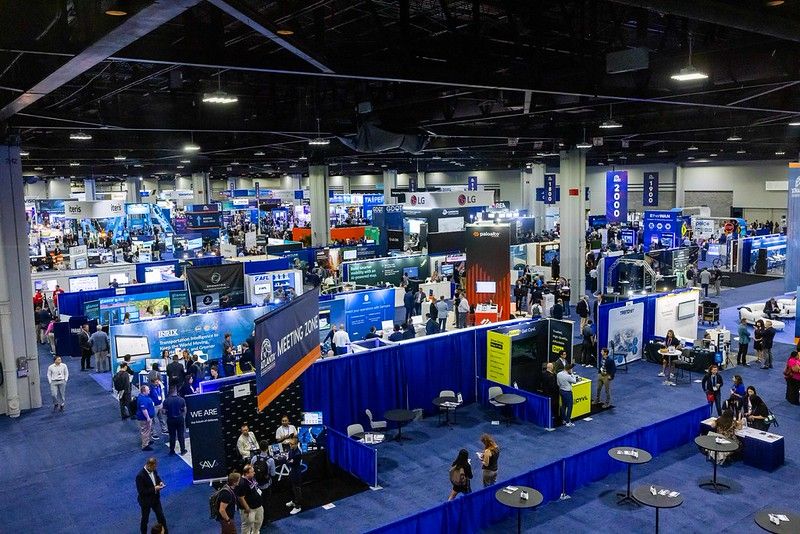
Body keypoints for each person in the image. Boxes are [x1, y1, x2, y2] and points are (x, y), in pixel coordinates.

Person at [136, 457, 168, 534]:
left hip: (155, 499)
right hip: (146, 501)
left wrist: (160, 482)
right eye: (153, 467)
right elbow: (141, 492)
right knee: (145, 520)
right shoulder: (140, 476)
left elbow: (157, 477)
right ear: (148, 465)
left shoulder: (153, 470)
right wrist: (155, 489)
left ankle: (165, 532)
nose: (155, 469)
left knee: (161, 517)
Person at [251, 441, 276, 525]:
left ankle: (257, 520)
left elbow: (251, 471)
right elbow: (273, 474)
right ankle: (265, 520)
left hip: (256, 486)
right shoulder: (271, 460)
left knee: (257, 503)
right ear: (267, 448)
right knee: (266, 502)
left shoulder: (254, 458)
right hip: (266, 485)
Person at [236, 464, 264, 534]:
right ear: (246, 474)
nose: (254, 473)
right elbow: (240, 498)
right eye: (252, 472)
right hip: (249, 508)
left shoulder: (251, 478)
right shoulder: (242, 484)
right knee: (247, 524)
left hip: (258, 505)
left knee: (259, 521)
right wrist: (247, 508)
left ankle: (255, 532)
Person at [162, 386, 187, 455]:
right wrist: (183, 416)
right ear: (176, 391)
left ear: (170, 392)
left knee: (172, 436)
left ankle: (172, 451)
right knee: (181, 435)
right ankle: (182, 450)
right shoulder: (181, 399)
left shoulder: (166, 400)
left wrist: (167, 412)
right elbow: (185, 410)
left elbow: (163, 412)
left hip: (170, 419)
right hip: (180, 419)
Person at [285, 438, 303, 515]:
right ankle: (293, 501)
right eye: (290, 444)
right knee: (291, 488)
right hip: (292, 471)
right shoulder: (291, 450)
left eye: (292, 444)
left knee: (297, 489)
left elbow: (290, 462)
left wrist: (289, 461)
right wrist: (289, 461)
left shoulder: (298, 453)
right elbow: (289, 460)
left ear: (296, 444)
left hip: (296, 473)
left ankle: (298, 506)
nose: (290, 445)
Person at [137, 384, 156, 452]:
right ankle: (145, 445)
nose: (149, 391)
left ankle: (147, 441)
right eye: (148, 390)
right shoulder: (142, 399)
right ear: (144, 392)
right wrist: (148, 418)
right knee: (145, 431)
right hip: (144, 419)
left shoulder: (145, 396)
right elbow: (144, 409)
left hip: (148, 417)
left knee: (148, 430)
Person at [541, 362, 560, 427]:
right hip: (552, 394)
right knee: (553, 406)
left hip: (546, 393)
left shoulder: (543, 374)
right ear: (551, 367)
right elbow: (553, 386)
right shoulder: (551, 376)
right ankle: (554, 417)